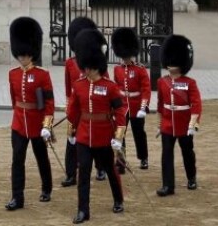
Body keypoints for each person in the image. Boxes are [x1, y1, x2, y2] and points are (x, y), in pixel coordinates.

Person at [66, 29, 126, 223]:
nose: (86, 71)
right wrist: (72, 130)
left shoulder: (110, 86)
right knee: (83, 173)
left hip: (103, 136)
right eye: (85, 67)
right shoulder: (79, 85)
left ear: (96, 66)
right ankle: (83, 210)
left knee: (110, 170)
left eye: (89, 68)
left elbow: (120, 111)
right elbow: (73, 110)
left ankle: (118, 199)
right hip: (84, 136)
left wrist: (118, 136)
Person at [5, 17, 54, 210]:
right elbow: (14, 100)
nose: (23, 58)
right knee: (17, 160)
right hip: (19, 123)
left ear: (31, 53)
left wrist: (47, 125)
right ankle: (17, 197)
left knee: (41, 157)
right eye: (20, 55)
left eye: (25, 55)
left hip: (37, 123)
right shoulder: (13, 74)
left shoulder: (42, 75)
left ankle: (46, 188)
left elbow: (49, 102)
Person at [155, 34, 202, 196]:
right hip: (168, 124)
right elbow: (160, 105)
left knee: (187, 152)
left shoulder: (190, 83)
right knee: (166, 154)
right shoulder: (162, 82)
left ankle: (191, 177)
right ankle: (168, 185)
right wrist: (160, 125)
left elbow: (196, 105)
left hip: (184, 124)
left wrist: (193, 124)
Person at [61, 16, 97, 188]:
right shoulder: (70, 63)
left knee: (96, 140)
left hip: (92, 108)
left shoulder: (96, 64)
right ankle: (70, 173)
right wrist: (69, 107)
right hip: (76, 109)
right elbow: (69, 89)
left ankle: (101, 167)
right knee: (71, 140)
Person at [111, 27, 151, 170]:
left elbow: (146, 89)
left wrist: (143, 106)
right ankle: (121, 160)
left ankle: (143, 158)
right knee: (120, 132)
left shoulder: (140, 69)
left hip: (136, 106)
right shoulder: (117, 69)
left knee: (139, 134)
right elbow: (115, 88)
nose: (125, 58)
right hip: (122, 106)